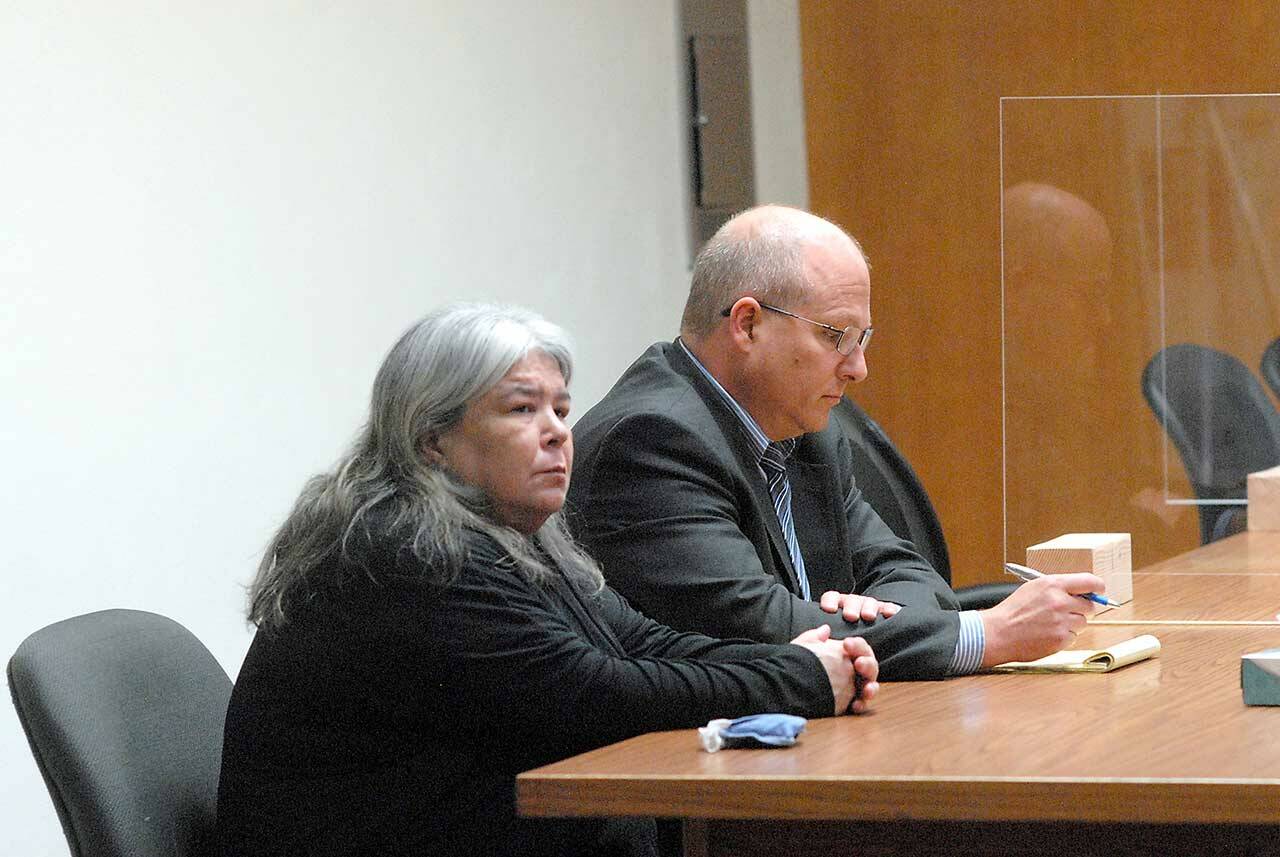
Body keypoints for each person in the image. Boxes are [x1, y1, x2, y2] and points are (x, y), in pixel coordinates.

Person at [215, 302, 879, 857]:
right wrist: (798, 678)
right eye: (521, 410)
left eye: (561, 410)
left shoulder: (508, 529)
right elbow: (598, 696)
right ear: (431, 439)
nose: (558, 433)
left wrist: (794, 657)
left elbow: (639, 642)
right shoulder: (407, 552)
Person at [567, 204, 1105, 680]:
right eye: (836, 336)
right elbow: (760, 629)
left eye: (862, 339)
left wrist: (879, 615)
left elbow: (907, 570)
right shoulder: (649, 442)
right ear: (748, 324)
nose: (858, 368)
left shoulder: (803, 431)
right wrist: (986, 635)